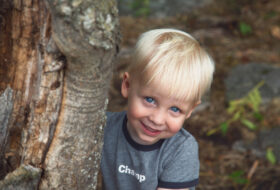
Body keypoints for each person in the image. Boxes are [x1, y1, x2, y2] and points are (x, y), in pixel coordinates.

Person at [101, 28, 215, 190]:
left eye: (175, 109)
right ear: (127, 85)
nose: (157, 119)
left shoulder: (180, 150)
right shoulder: (104, 127)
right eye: (150, 100)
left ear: (190, 110)